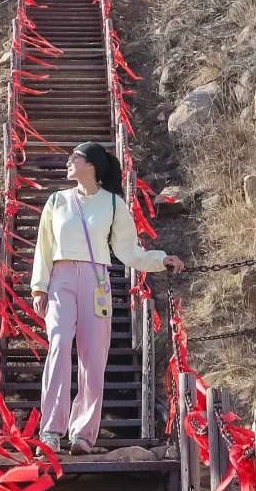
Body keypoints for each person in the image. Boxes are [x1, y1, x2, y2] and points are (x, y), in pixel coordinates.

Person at [30, 141, 184, 455]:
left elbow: (128, 251)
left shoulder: (113, 204)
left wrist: (160, 259)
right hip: (60, 279)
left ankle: (83, 434)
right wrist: (39, 287)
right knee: (58, 344)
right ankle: (50, 432)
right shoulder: (56, 201)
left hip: (96, 280)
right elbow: (43, 248)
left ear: (92, 165)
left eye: (75, 156)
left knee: (93, 356)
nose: (68, 160)